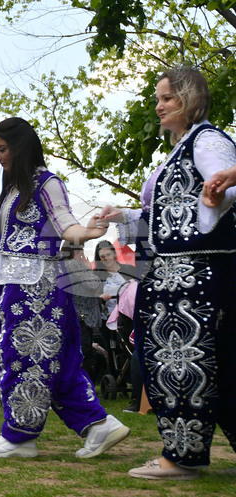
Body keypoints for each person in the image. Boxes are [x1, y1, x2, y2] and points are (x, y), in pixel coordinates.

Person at [0, 117, 128, 459]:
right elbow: (1, 240)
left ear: (19, 148)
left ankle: (19, 436)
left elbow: (66, 226)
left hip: (35, 289)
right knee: (55, 362)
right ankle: (98, 424)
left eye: (1, 150)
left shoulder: (47, 184)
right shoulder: (15, 190)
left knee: (24, 359)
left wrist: (89, 233)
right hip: (11, 283)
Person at [98, 67, 236, 480]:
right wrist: (122, 214)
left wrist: (223, 187)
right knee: (214, 363)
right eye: (158, 98)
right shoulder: (179, 151)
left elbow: (226, 184)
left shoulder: (207, 141)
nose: (158, 106)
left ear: (189, 99)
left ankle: (181, 456)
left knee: (183, 362)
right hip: (176, 275)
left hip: (194, 277)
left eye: (167, 99)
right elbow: (172, 212)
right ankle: (184, 452)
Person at [60, 244, 104, 382]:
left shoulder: (63, 265)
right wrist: (87, 268)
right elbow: (95, 284)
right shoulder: (74, 265)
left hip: (72, 314)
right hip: (82, 316)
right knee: (84, 353)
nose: (83, 254)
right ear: (75, 251)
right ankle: (86, 386)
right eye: (82, 250)